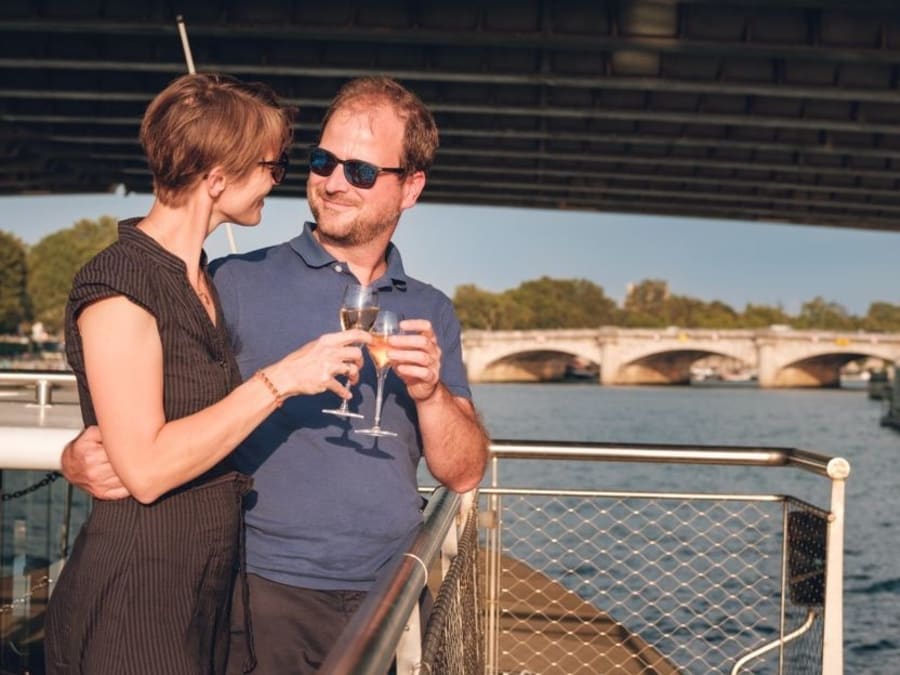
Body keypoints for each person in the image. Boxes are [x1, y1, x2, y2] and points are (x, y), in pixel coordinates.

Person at [63, 75, 490, 673]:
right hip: (258, 592)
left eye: (361, 172)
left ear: (410, 186)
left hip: (391, 587)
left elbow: (465, 470)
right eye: (321, 162)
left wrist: (430, 393)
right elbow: (155, 410)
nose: (333, 182)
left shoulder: (431, 309)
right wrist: (77, 451)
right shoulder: (229, 282)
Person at [46, 72, 369, 675]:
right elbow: (144, 471)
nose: (281, 179)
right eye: (273, 166)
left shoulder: (204, 281)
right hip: (136, 604)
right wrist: (280, 381)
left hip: (204, 592)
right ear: (218, 179)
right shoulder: (121, 285)